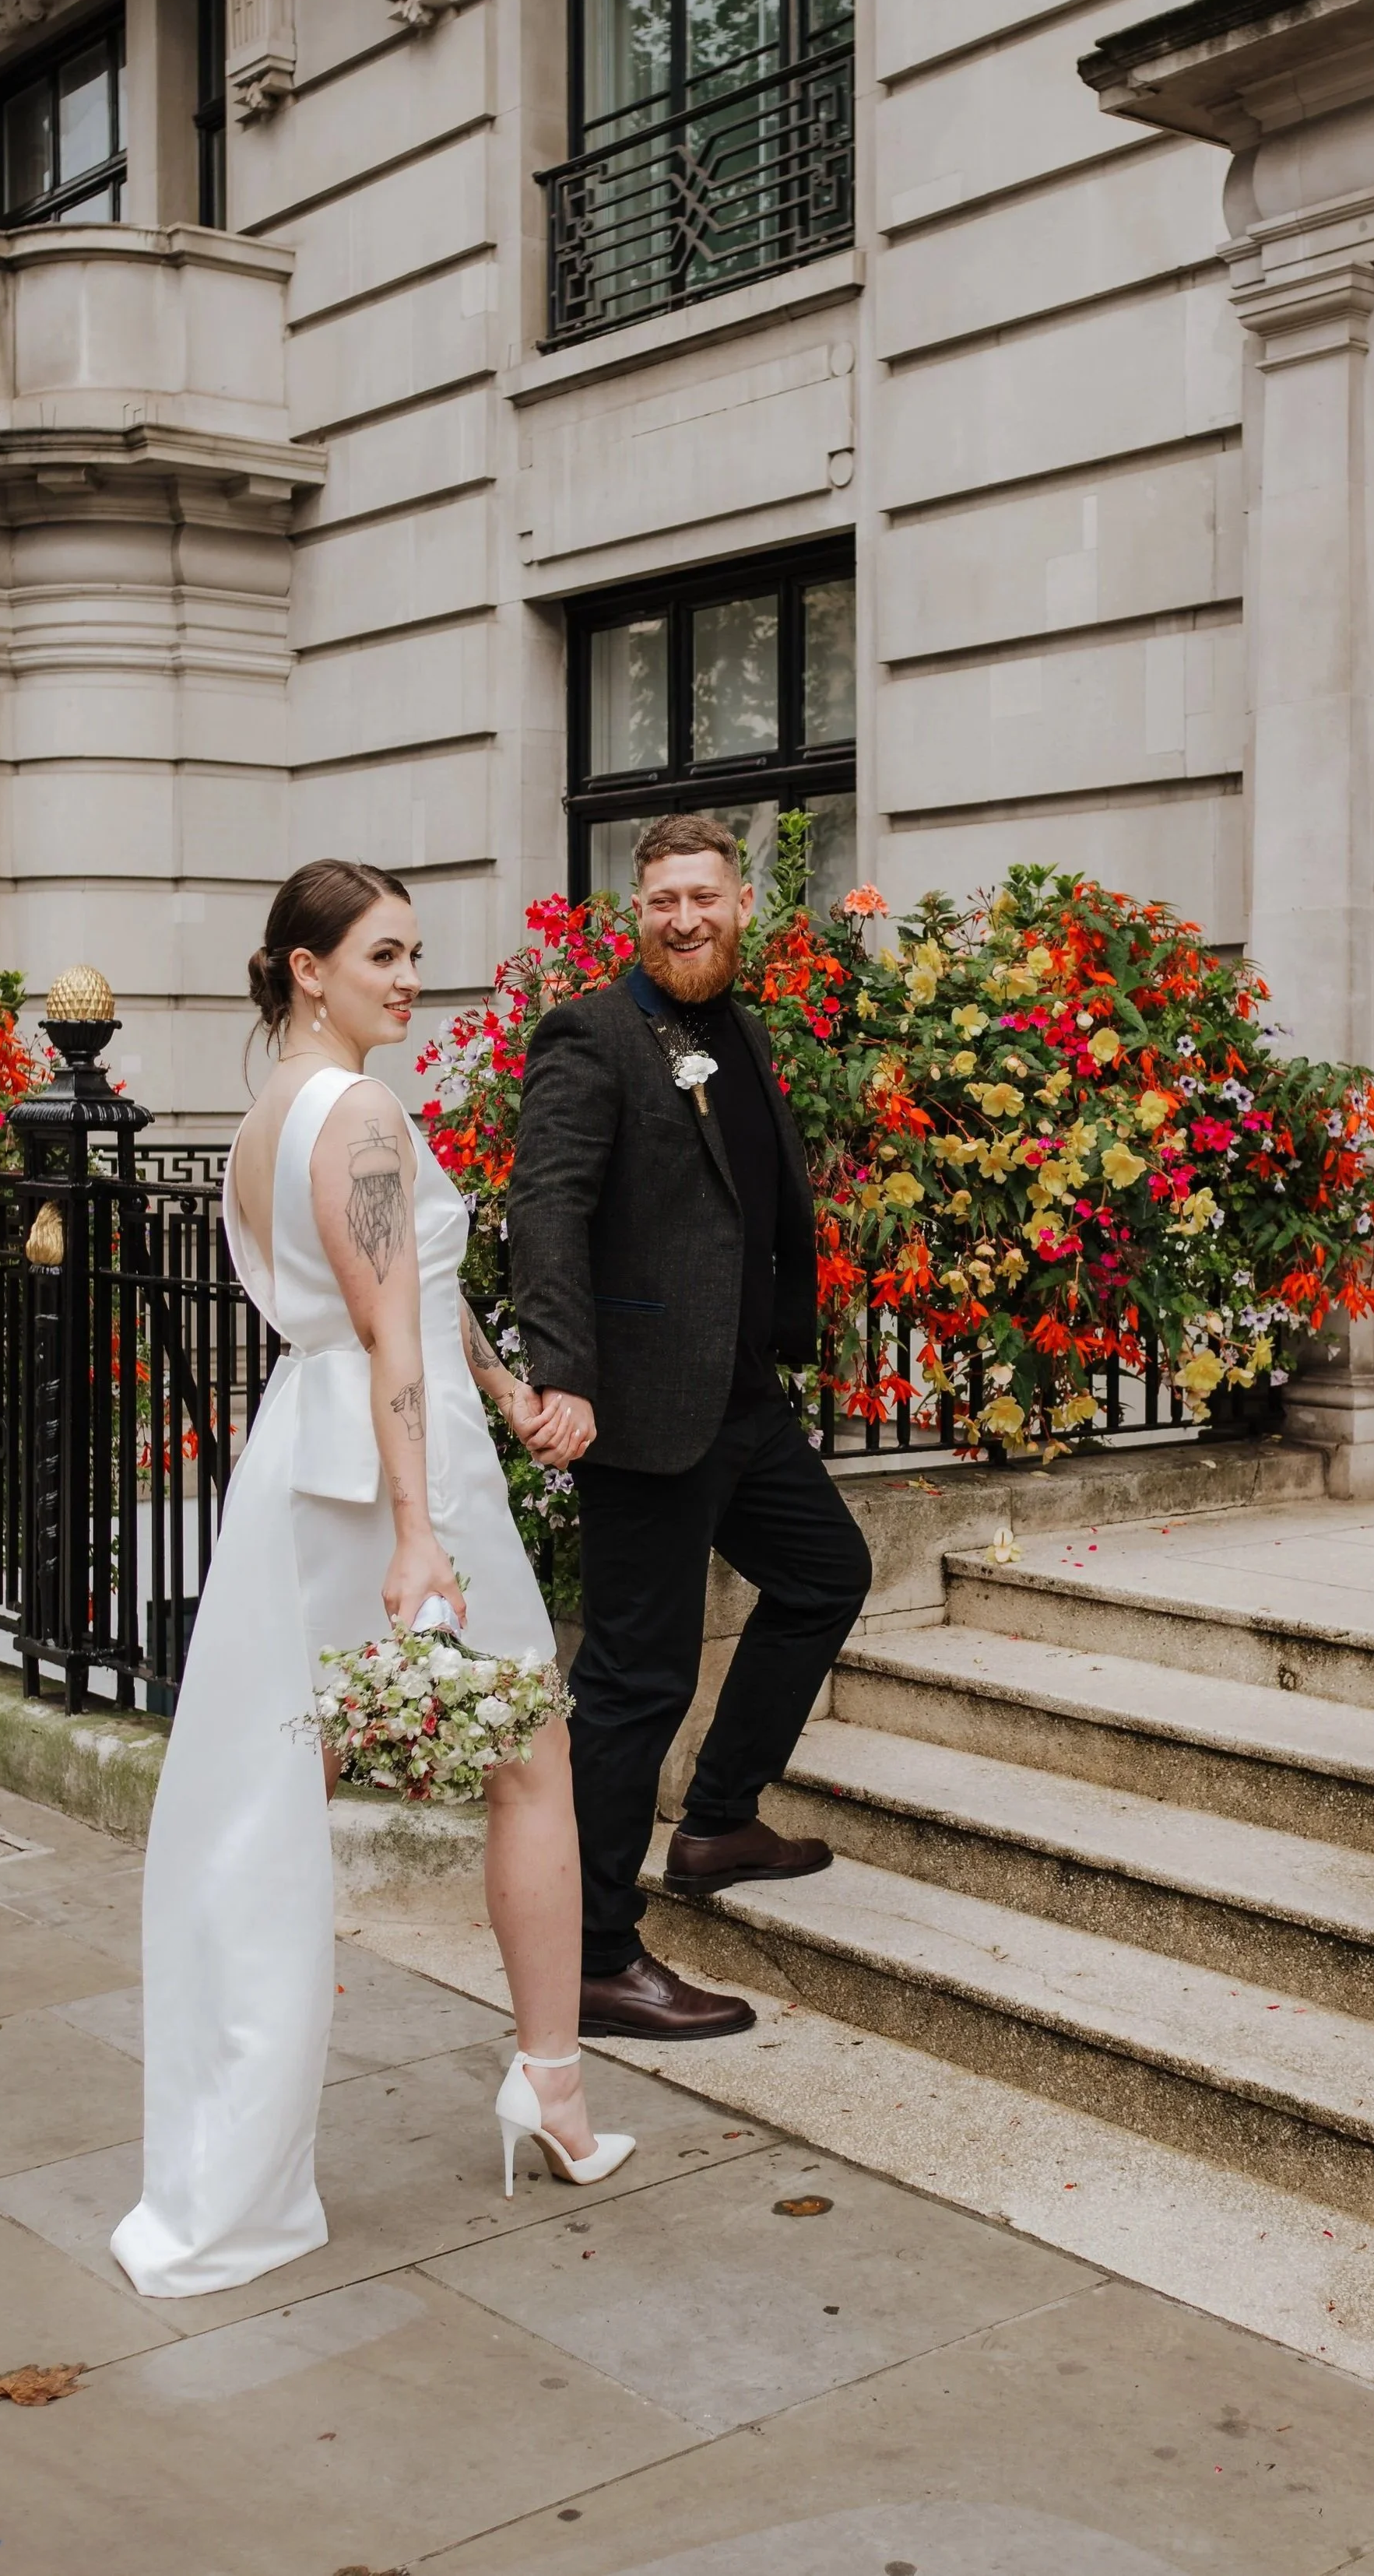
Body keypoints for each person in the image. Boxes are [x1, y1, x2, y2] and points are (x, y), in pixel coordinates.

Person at [111, 859, 631, 2301]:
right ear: (305, 968)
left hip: (319, 1452)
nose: (412, 979)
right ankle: (552, 2088)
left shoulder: (270, 1119)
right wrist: (423, 1527)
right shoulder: (362, 1113)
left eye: (416, 954)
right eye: (386, 955)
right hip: (401, 1477)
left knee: (284, 1778)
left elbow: (406, 1301)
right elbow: (390, 1333)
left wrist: (505, 1381)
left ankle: (263, 2118)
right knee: (531, 1752)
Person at [508, 813, 873, 2040]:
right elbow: (546, 1209)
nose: (683, 917)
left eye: (702, 896)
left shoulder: (738, 1027)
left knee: (828, 1573)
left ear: (739, 903)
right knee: (632, 1681)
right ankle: (599, 1953)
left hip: (738, 1400)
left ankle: (716, 1819)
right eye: (661, 898)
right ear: (638, 909)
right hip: (641, 1413)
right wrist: (562, 1374)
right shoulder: (593, 1032)